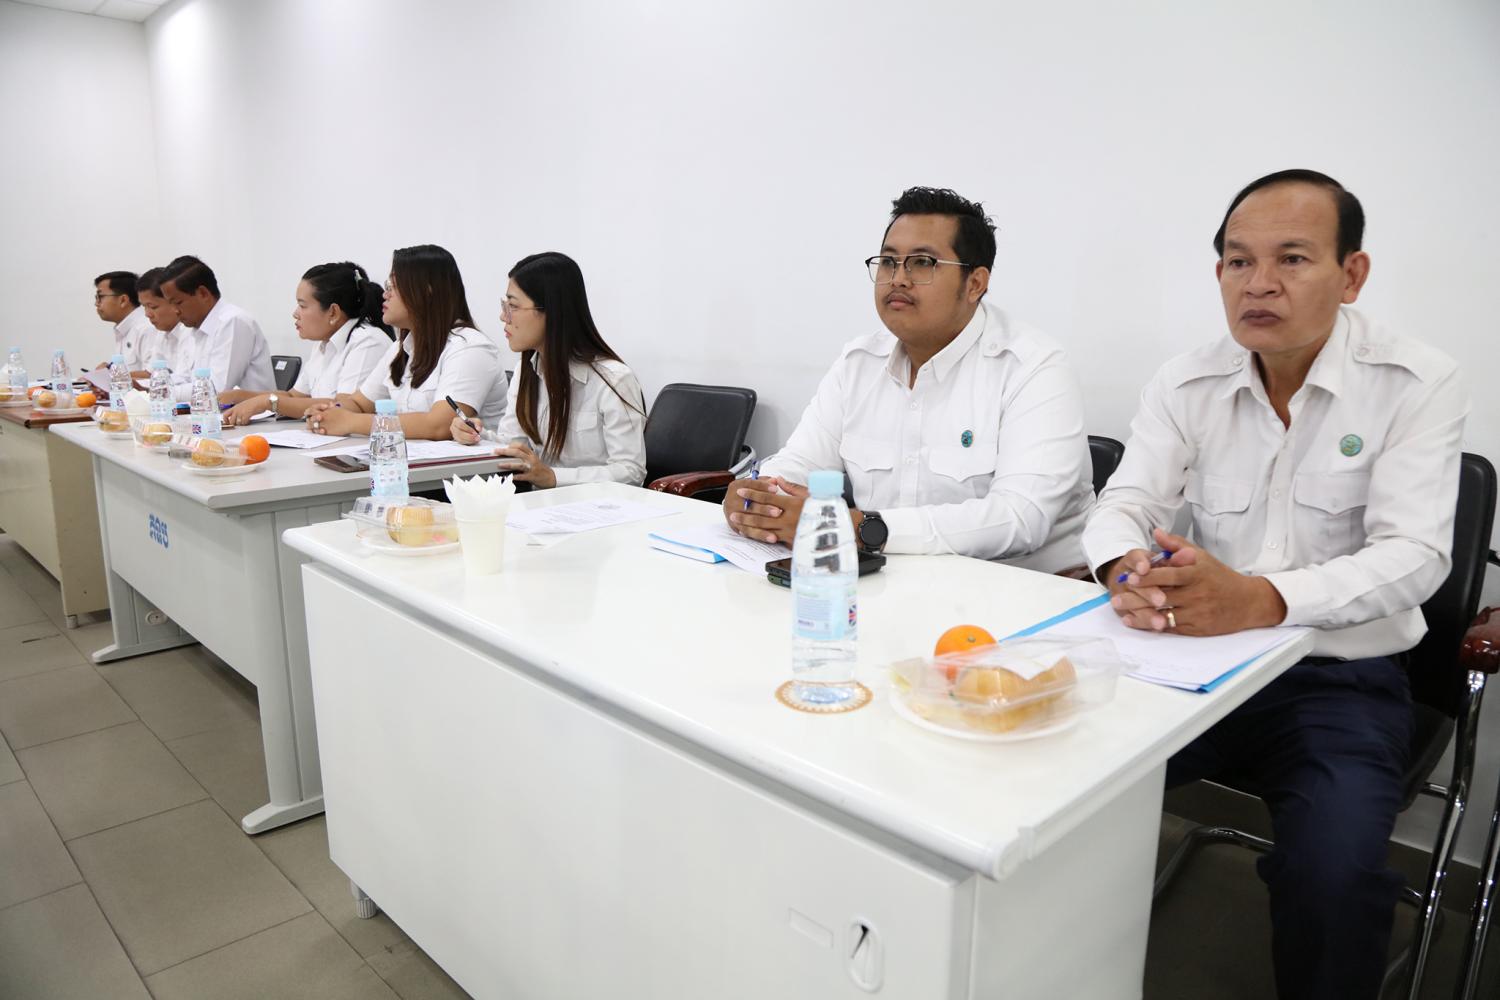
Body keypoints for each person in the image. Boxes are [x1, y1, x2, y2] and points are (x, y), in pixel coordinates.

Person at [1082, 169, 1468, 999]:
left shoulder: (1415, 382)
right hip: (1191, 664)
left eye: (1291, 258)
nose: (1258, 284)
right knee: (1051, 767)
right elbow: (1125, 502)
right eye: (1238, 261)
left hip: (1338, 679)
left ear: (1351, 274)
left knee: (1332, 876)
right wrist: (1123, 569)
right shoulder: (1185, 381)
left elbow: (1415, 556)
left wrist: (1262, 600)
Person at [721, 186, 1093, 572]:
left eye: (922, 263)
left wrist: (861, 528)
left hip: (1025, 592)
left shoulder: (1033, 367)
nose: (898, 278)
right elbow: (801, 461)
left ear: (975, 284)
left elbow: (1020, 518)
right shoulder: (858, 363)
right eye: (888, 262)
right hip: (887, 584)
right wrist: (757, 496)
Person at [449, 252, 646, 487]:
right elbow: (514, 445)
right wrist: (475, 436)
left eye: (513, 306)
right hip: (540, 502)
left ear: (551, 311)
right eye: (504, 305)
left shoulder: (614, 380)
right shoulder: (526, 371)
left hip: (595, 505)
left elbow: (631, 472)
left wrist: (553, 477)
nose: (503, 317)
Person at [305, 244, 506, 439]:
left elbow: (440, 425)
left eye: (393, 286)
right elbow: (359, 403)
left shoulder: (470, 348)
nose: (385, 295)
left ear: (426, 291)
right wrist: (331, 411)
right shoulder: (400, 348)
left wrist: (350, 422)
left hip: (469, 462)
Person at [221, 262, 393, 426]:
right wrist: (238, 396)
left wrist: (269, 402)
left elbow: (344, 406)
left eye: (302, 306)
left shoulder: (367, 341)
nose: (295, 314)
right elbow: (293, 397)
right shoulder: (323, 342)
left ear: (333, 312)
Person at [159, 255, 276, 399]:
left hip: (251, 412)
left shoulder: (232, 322)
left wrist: (162, 393)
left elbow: (216, 389)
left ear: (203, 293)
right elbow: (184, 377)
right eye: (170, 304)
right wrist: (152, 387)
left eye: (178, 302)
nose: (175, 311)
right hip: (211, 410)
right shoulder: (194, 326)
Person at [94, 270, 153, 371]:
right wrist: (110, 369)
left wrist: (110, 374)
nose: (96, 303)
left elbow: (153, 374)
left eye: (100, 297)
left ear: (123, 300)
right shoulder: (123, 329)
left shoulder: (146, 328)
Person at [135, 268, 189, 371]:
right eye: (144, 307)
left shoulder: (190, 334)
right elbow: (152, 373)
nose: (147, 314)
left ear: (173, 302)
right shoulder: (163, 333)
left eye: (153, 307)